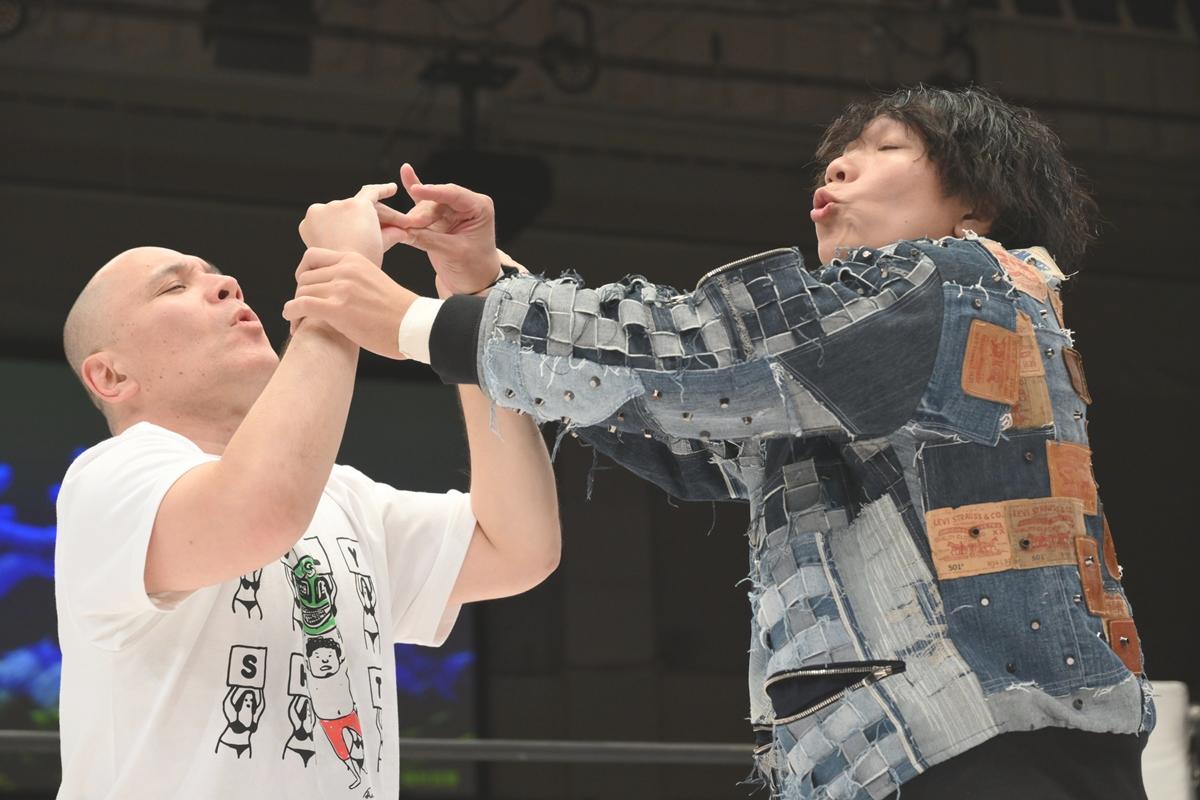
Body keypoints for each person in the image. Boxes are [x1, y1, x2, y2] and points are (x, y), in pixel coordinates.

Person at [285, 86, 1153, 799]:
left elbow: (710, 347)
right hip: (913, 756)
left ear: (977, 205)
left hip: (987, 752)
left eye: (886, 148)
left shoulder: (957, 279)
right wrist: (477, 282)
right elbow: (683, 428)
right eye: (834, 158)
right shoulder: (864, 360)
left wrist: (416, 324)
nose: (837, 167)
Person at [54, 184, 560, 799]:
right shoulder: (109, 479)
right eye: (174, 287)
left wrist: (473, 306)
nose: (227, 285)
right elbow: (259, 514)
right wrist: (340, 286)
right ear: (110, 375)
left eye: (217, 275)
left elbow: (519, 548)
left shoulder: (343, 497)